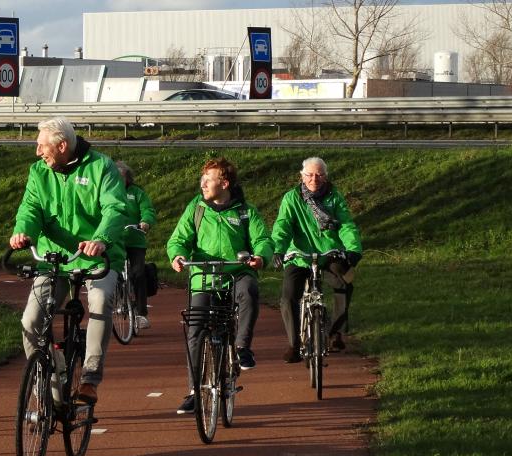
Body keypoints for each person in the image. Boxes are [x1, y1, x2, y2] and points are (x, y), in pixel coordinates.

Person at [9, 116, 128, 405]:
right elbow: (31, 208)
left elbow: (114, 208)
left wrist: (100, 239)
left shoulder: (101, 167)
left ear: (62, 146)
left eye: (42, 146)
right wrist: (23, 232)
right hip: (55, 258)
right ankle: (50, 373)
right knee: (31, 320)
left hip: (97, 257)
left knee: (100, 303)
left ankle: (89, 377)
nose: (38, 152)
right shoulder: (39, 171)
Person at [166, 157, 272, 415]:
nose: (202, 184)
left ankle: (242, 348)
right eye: (202, 179)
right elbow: (178, 239)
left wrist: (260, 257)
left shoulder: (246, 211)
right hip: (204, 276)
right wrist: (177, 256)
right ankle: (194, 390)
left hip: (237, 273)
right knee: (195, 331)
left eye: (208, 179)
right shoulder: (196, 208)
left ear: (224, 183)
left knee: (249, 291)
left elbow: (262, 240)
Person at [271, 156, 363, 363]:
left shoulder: (334, 197)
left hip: (328, 254)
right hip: (299, 257)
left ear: (325, 176)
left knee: (345, 282)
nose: (315, 179)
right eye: (310, 175)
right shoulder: (291, 198)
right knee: (288, 297)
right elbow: (283, 227)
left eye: (319, 175)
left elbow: (346, 225)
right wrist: (278, 250)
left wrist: (353, 249)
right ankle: (294, 345)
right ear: (301, 176)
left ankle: (335, 331)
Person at [114, 161, 157, 330]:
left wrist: (145, 222)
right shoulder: (108, 192)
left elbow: (148, 209)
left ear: (127, 178)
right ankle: (119, 299)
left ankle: (141, 313)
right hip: (115, 240)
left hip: (135, 240)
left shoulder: (137, 193)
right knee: (112, 273)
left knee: (138, 273)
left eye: (121, 177)